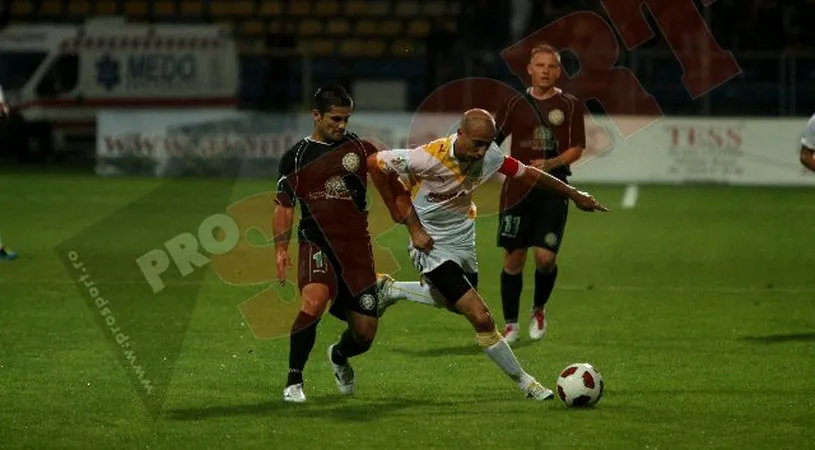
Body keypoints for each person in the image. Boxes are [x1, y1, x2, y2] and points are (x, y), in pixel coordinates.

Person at [368, 108, 607, 400]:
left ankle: (391, 290)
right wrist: (407, 221)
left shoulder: (489, 155)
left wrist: (574, 194)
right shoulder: (428, 157)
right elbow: (375, 162)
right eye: (477, 143)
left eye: (488, 143)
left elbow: (528, 173)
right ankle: (527, 384)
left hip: (462, 238)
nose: (482, 151)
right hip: (430, 243)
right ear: (460, 134)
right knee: (480, 316)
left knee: (450, 302)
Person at [274, 85, 432, 403]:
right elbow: (284, 206)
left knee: (364, 334)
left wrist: (415, 228)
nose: (341, 125)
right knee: (314, 300)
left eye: (346, 119)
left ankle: (339, 355)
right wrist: (280, 249)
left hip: (357, 251)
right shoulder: (296, 157)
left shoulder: (363, 150)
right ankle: (294, 382)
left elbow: (395, 189)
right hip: (315, 242)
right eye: (335, 118)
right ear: (316, 116)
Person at [493, 43, 587, 344]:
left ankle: (538, 309)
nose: (546, 71)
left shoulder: (570, 104)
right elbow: (493, 140)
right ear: (530, 69)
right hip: (517, 190)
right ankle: (510, 325)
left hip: (553, 188)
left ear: (559, 72)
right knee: (513, 258)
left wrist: (550, 163)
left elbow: (577, 149)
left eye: (552, 67)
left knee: (545, 259)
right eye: (541, 66)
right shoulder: (513, 103)